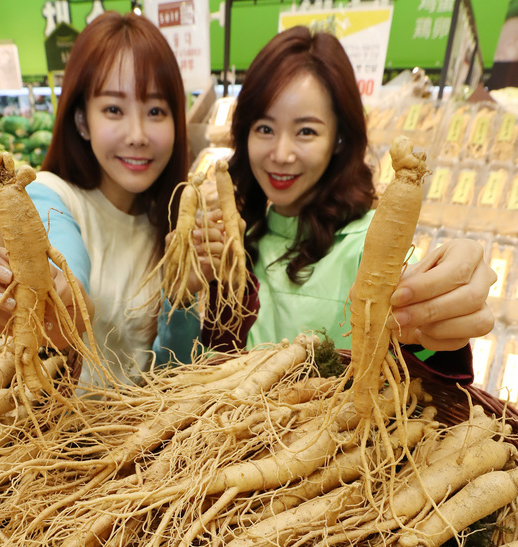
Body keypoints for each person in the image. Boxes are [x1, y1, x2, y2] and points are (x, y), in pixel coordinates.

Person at [154, 27, 495, 380]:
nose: (281, 154)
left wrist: (442, 314)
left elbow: (416, 358)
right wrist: (181, 297)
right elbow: (176, 383)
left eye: (306, 131)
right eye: (265, 129)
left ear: (339, 139)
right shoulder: (233, 244)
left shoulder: (367, 247)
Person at [0, 12, 210, 385]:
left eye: (155, 111)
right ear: (82, 121)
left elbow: (176, 372)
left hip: (149, 420)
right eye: (113, 110)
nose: (137, 135)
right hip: (65, 420)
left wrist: (182, 298)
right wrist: (60, 298)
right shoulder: (49, 194)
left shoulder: (170, 226)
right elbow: (64, 261)